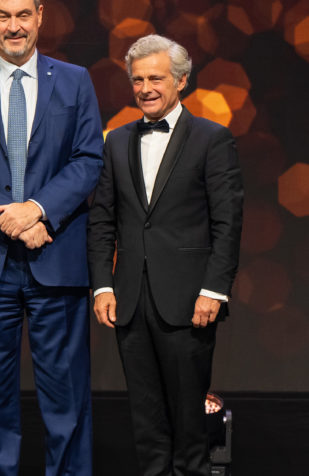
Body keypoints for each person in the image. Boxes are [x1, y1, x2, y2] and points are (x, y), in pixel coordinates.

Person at [0, 0, 104, 473]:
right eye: (4, 16)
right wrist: (9, 219)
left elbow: (88, 158)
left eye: (23, 15)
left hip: (56, 255)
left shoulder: (74, 80)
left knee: (66, 398)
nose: (14, 26)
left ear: (40, 16)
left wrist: (37, 211)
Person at [88, 34, 243, 476]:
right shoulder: (116, 141)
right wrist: (102, 283)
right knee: (146, 419)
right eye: (137, 80)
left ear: (181, 81)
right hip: (131, 301)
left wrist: (214, 290)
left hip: (190, 300)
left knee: (190, 423)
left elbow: (227, 223)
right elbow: (102, 220)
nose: (145, 88)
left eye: (155, 78)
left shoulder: (213, 139)